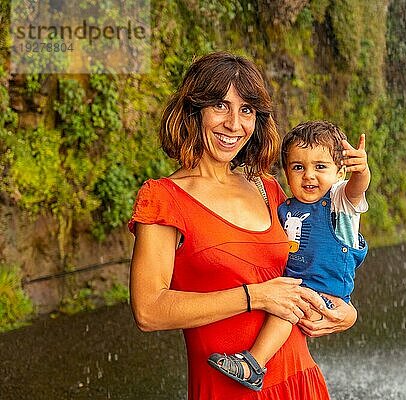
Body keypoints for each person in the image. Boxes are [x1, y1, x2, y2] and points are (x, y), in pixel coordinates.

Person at [127, 52, 358, 400]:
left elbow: (317, 263)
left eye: (247, 109)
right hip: (227, 390)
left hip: (299, 380)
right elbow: (149, 311)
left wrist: (346, 312)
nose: (234, 124)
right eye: (221, 105)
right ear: (194, 110)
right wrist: (255, 297)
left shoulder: (269, 188)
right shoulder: (164, 197)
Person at [208, 120, 370, 391]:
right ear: (286, 172)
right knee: (288, 303)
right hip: (294, 286)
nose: (308, 175)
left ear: (340, 170)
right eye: (298, 167)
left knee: (287, 310)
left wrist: (361, 171)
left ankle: (253, 365)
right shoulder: (286, 208)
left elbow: (357, 189)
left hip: (323, 290)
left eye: (320, 166)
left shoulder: (341, 202)